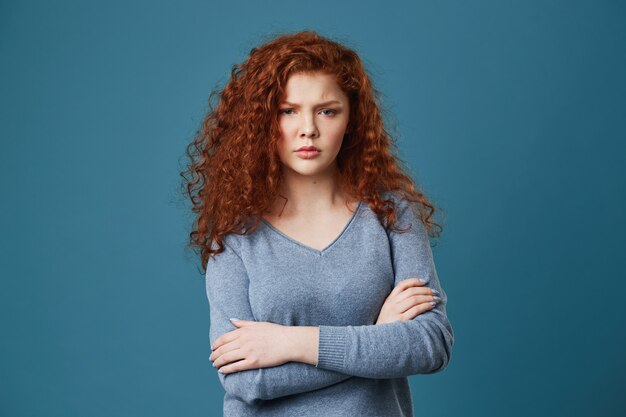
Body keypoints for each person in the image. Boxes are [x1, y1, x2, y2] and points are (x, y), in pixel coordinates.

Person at [181, 30, 454, 417]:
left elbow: (431, 344)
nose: (308, 128)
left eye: (327, 110)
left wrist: (292, 343)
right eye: (288, 111)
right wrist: (376, 340)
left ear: (352, 119)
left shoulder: (392, 215)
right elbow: (246, 381)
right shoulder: (234, 238)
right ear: (261, 121)